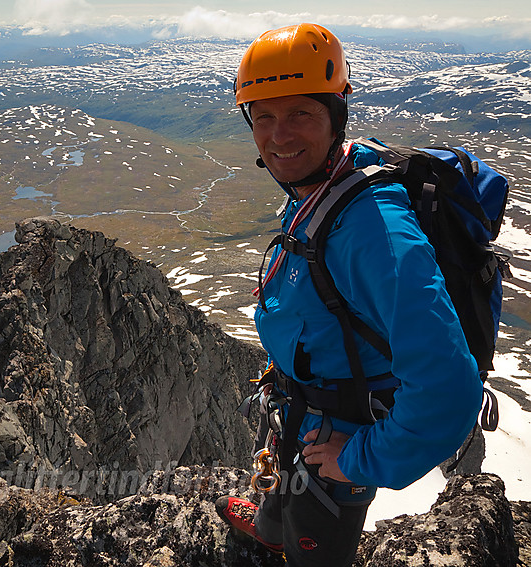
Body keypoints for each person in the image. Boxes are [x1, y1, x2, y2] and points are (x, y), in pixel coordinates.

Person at [214, 23, 483, 566]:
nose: (278, 135)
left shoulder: (379, 234)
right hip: (304, 407)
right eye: (263, 116)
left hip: (339, 432)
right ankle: (270, 528)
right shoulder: (327, 179)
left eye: (299, 114)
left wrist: (361, 458)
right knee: (285, 484)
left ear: (336, 116)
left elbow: (450, 390)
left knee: (317, 537)